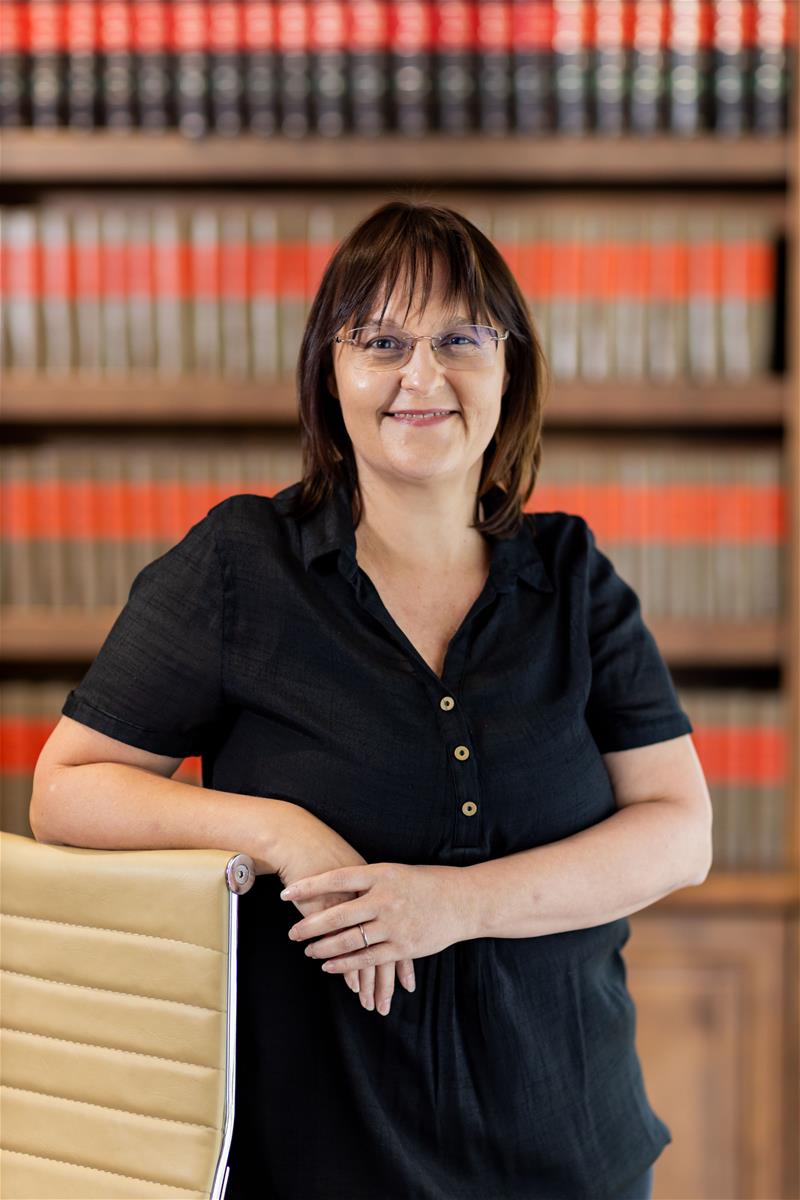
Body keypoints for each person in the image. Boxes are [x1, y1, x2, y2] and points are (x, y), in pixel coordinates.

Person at [31, 200, 713, 1200]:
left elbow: (680, 831)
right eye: (382, 342)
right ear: (330, 374)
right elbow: (65, 792)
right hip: (315, 1162)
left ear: (510, 370)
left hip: (572, 1156)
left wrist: (452, 905)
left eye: (460, 339)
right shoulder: (241, 565)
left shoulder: (571, 577)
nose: (421, 376)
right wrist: (283, 832)